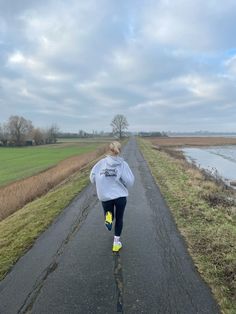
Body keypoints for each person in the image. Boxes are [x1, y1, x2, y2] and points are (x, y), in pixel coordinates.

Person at [90, 141, 134, 252]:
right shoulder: (123, 164)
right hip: (120, 196)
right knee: (119, 219)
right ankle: (116, 243)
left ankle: (108, 219)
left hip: (105, 196)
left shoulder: (100, 163)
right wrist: (122, 183)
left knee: (109, 214)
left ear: (109, 150)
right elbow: (129, 181)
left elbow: (92, 177)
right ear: (119, 151)